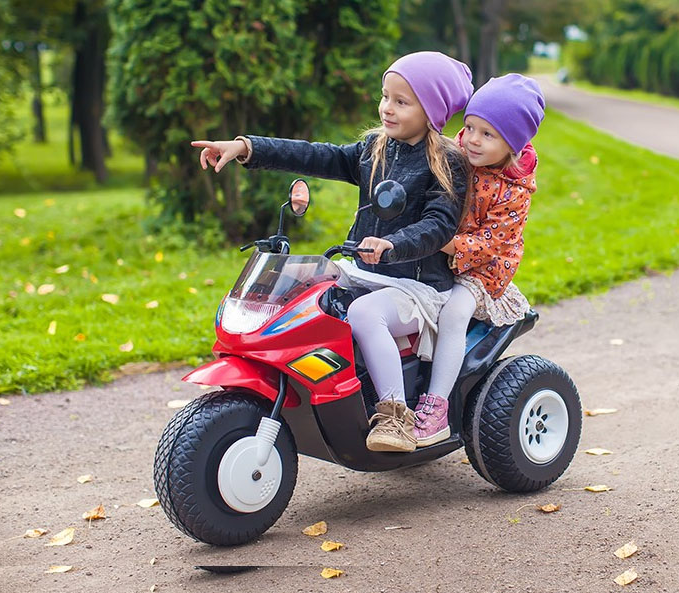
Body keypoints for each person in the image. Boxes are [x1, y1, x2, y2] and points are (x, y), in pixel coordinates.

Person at [191, 52, 473, 453]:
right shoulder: (376, 147)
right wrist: (245, 147)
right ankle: (303, 383)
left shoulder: (446, 163)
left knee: (362, 313)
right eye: (384, 96)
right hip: (365, 271)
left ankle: (396, 416)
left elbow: (439, 225)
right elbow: (314, 154)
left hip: (416, 286)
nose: (386, 109)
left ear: (432, 112)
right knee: (301, 291)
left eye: (401, 101)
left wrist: (394, 244)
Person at [413, 73, 546, 447]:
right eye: (469, 126)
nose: (472, 138)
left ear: (513, 143)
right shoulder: (456, 154)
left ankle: (437, 406)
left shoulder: (514, 190)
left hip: (483, 267)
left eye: (487, 134)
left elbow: (488, 243)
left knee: (453, 313)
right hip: (441, 250)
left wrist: (440, 240)